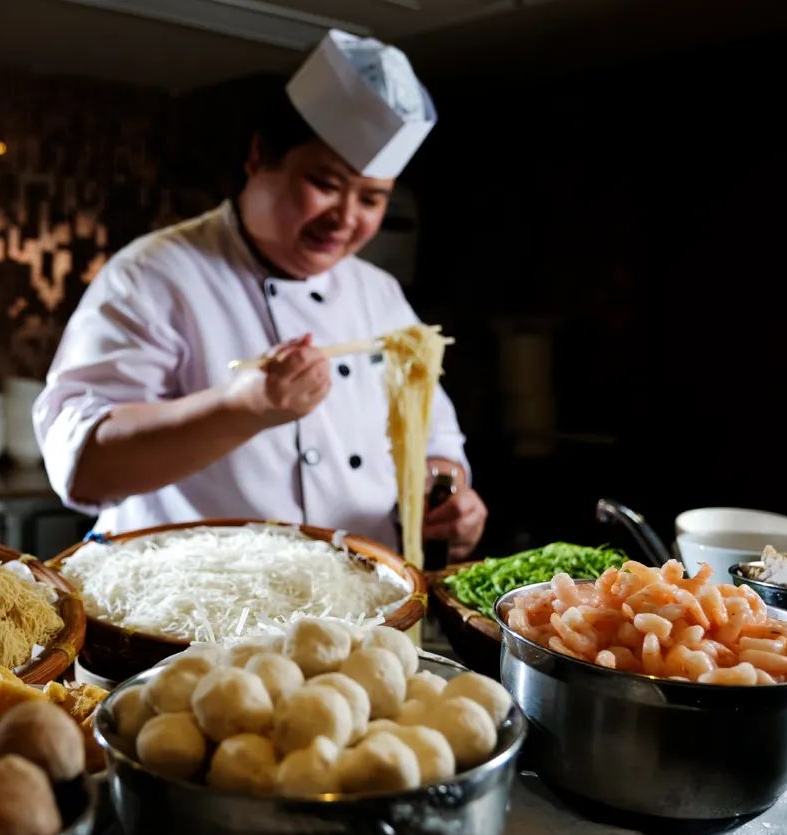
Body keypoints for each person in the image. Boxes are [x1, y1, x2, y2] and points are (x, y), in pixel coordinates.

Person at [33, 29, 487, 562]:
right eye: (325, 183)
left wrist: (448, 494)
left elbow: (437, 442)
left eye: (371, 198)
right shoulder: (156, 273)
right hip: (189, 610)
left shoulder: (379, 293)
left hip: (361, 601)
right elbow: (85, 466)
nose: (346, 217)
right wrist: (243, 407)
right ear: (258, 157)